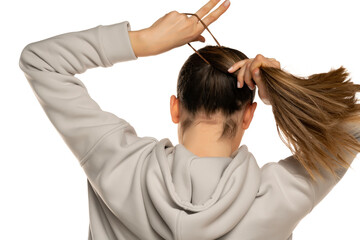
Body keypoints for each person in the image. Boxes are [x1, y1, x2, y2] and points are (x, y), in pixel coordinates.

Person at [19, 0, 360, 239]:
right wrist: (281, 91)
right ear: (248, 116)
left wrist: (141, 42)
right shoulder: (280, 197)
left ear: (175, 109)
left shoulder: (116, 163)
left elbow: (40, 61)